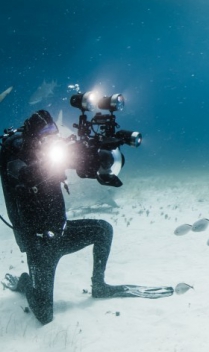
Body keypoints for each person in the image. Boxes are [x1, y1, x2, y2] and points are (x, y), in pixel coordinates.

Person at [0, 110, 131, 324]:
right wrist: (54, 162)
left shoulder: (51, 153)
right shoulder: (15, 156)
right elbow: (25, 175)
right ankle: (26, 284)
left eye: (54, 137)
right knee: (44, 316)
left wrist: (101, 158)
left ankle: (99, 285)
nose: (51, 143)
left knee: (103, 229)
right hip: (39, 245)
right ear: (33, 138)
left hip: (63, 231)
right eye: (46, 138)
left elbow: (82, 163)